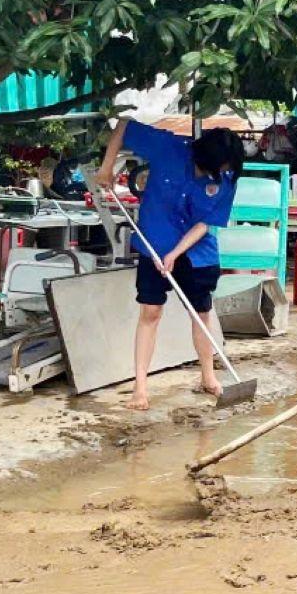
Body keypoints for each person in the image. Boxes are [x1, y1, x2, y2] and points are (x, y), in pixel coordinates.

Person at [95, 119, 245, 410]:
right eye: (213, 169)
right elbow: (123, 126)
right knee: (150, 312)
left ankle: (208, 377)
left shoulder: (227, 179)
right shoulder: (169, 148)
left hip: (196, 253)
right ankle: (140, 388)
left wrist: (176, 253)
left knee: (200, 314)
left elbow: (205, 223)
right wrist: (106, 167)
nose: (216, 175)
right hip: (154, 243)